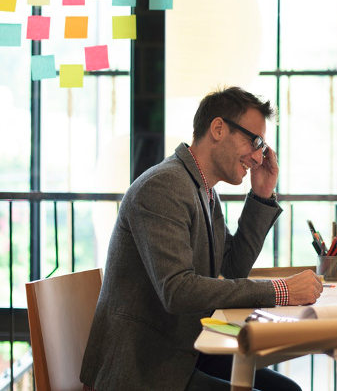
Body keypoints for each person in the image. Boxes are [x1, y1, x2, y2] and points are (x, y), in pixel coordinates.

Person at [80, 87, 322, 391]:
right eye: (255, 141)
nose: (259, 157)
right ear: (218, 128)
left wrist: (261, 195)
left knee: (287, 390)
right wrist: (280, 290)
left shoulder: (204, 191)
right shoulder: (164, 186)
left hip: (183, 352)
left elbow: (233, 267)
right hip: (144, 368)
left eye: (263, 146)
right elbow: (178, 290)